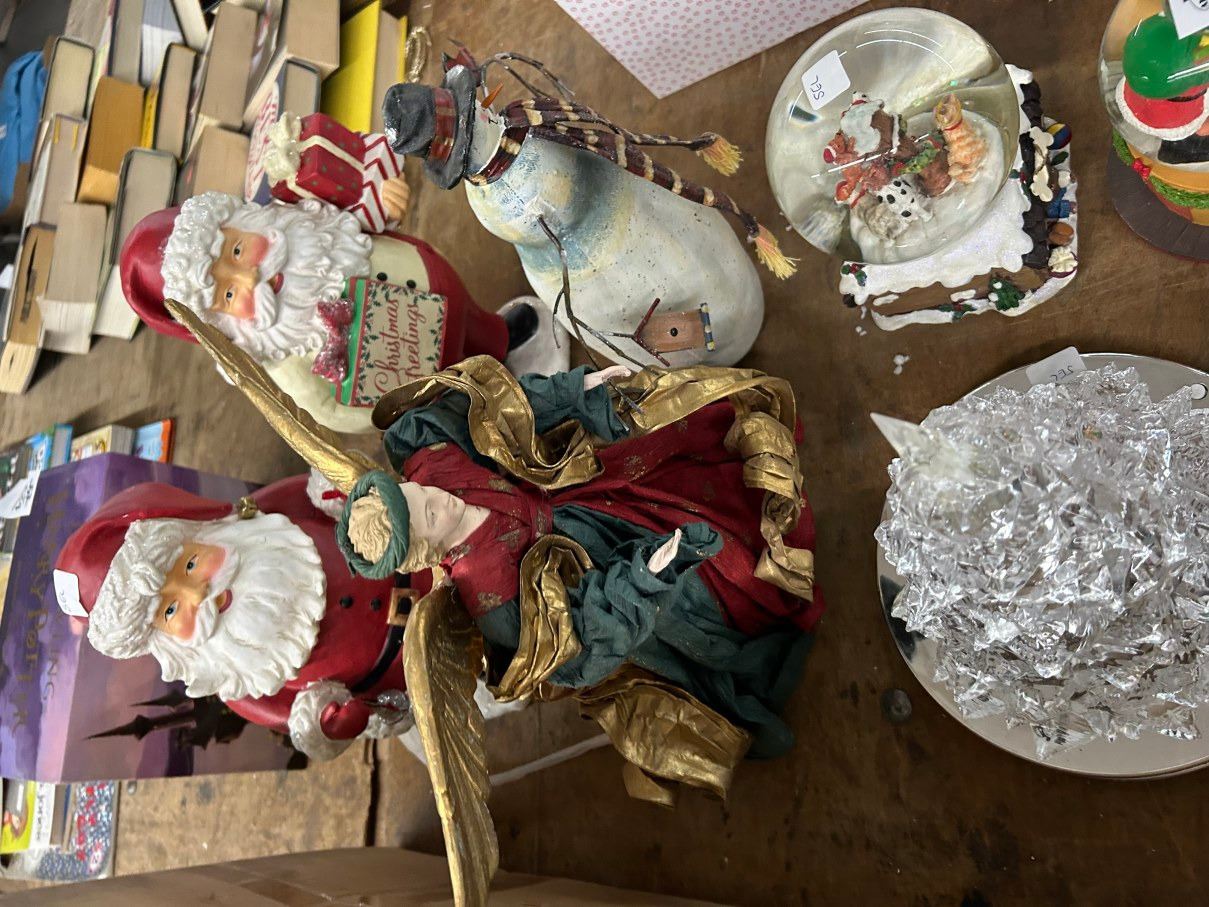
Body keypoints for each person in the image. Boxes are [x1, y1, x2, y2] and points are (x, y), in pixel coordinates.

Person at [53, 472, 413, 761]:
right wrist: (326, 722)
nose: (198, 594)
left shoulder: (261, 520)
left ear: (200, 534)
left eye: (190, 564)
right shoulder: (238, 677)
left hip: (411, 550)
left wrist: (337, 492)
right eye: (170, 610)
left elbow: (316, 490)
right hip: (406, 667)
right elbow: (301, 721)